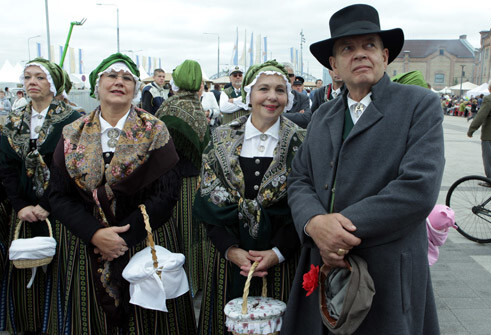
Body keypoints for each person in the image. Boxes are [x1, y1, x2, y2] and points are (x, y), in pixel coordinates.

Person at [280, 4, 444, 334]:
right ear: (334, 65)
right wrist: (313, 223)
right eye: (347, 48)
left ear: (385, 56)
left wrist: (335, 232)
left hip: (386, 267)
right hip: (324, 266)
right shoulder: (322, 116)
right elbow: (299, 179)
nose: (360, 54)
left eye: (369, 45)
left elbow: (418, 186)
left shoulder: (419, 105)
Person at [48, 53, 196, 334]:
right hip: (87, 243)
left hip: (143, 240)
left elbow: (166, 195)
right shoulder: (72, 133)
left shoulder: (155, 130)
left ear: (136, 88)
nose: (119, 82)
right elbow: (57, 195)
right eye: (112, 76)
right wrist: (95, 234)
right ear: (97, 85)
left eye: (127, 77)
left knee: (149, 324)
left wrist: (123, 239)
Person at [194, 60, 303, 335]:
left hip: (282, 261)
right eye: (263, 88)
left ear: (287, 97)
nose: (272, 97)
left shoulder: (302, 143)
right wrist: (230, 250)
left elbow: (306, 205)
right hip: (228, 259)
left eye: (280, 90)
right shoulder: (220, 139)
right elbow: (207, 203)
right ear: (249, 95)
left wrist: (277, 253)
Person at [0, 58, 81, 334]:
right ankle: (28, 323)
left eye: (39, 77)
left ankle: (58, 324)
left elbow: (73, 168)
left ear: (53, 84)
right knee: (24, 265)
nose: (31, 82)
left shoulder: (72, 120)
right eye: (27, 77)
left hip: (59, 209)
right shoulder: (13, 122)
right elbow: (7, 167)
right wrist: (20, 205)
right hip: (24, 209)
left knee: (58, 268)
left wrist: (47, 204)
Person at [155, 59, 211, 297]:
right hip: (198, 181)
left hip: (175, 184)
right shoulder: (197, 106)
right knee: (196, 232)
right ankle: (198, 279)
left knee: (179, 232)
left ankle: (181, 282)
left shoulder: (169, 109)